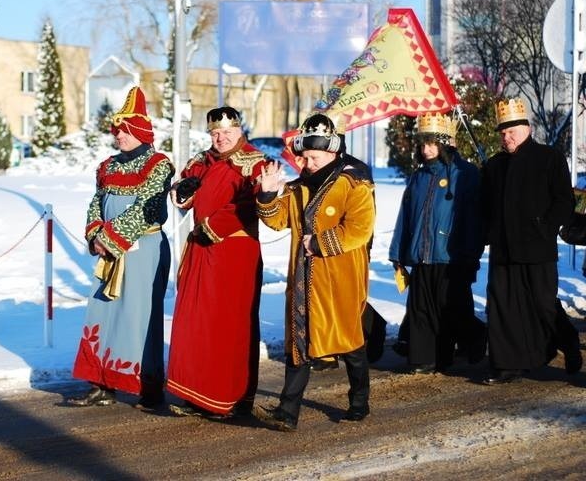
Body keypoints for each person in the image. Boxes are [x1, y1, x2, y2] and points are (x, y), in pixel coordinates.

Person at [254, 112, 375, 431]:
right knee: (299, 343)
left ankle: (359, 400)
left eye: (314, 157)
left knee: (350, 341)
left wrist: (320, 243)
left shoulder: (354, 183)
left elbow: (360, 229)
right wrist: (267, 195)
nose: (306, 164)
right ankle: (287, 411)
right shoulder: (297, 189)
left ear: (333, 153)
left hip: (341, 279)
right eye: (304, 157)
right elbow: (277, 220)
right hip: (303, 280)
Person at [69, 86, 175, 409]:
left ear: (139, 132)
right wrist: (95, 234)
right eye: (117, 132)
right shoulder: (108, 167)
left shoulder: (158, 165)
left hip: (144, 253)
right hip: (110, 251)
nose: (118, 137)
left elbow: (148, 208)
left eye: (124, 131)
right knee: (103, 312)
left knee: (140, 317)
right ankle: (101, 382)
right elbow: (96, 204)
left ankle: (150, 387)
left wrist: (110, 239)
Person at [166, 106, 267, 419]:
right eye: (215, 133)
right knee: (197, 323)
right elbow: (184, 193)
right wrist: (181, 192)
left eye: (227, 133)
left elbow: (252, 204)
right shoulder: (202, 161)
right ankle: (198, 393)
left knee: (229, 325)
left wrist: (214, 226)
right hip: (200, 250)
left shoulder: (255, 162)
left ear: (239, 131)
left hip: (234, 254)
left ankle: (232, 396)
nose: (221, 138)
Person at [480, 98, 577, 384]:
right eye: (502, 133)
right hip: (503, 250)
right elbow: (484, 206)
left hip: (537, 249)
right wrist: (488, 233)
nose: (506, 137)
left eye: (512, 131)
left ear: (527, 128)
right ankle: (506, 365)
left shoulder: (549, 158)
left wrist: (544, 227)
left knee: (543, 304)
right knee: (503, 308)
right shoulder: (494, 166)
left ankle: (568, 341)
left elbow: (563, 201)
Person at [388, 112, 485, 374]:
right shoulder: (418, 177)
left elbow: (474, 219)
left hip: (451, 256)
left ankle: (475, 338)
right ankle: (423, 358)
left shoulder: (465, 174)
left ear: (445, 144)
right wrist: (398, 253)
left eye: (432, 143)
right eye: (423, 144)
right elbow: (405, 218)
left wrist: (469, 254)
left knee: (452, 310)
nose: (426, 149)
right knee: (420, 310)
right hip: (421, 255)